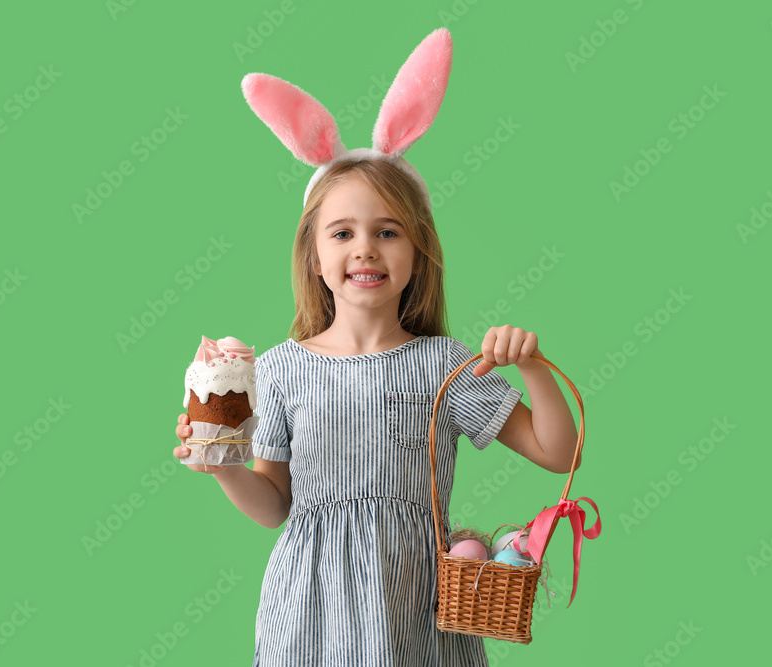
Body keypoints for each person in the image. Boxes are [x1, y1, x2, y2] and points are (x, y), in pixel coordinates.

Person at [172, 28, 581, 666]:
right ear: (314, 256)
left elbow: (558, 452)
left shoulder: (446, 366)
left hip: (414, 611)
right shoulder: (279, 371)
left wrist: (531, 367)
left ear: (418, 253)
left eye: (387, 231)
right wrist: (223, 466)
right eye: (342, 232)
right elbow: (274, 506)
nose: (365, 248)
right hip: (307, 612)